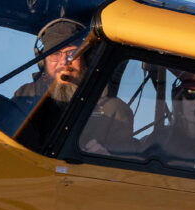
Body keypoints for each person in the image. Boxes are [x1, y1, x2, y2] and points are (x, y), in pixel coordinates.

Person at [14, 17, 135, 149]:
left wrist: (106, 157)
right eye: (55, 54)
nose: (63, 62)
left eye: (72, 53)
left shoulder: (114, 111)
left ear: (86, 59)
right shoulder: (26, 95)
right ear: (43, 62)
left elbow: (125, 159)